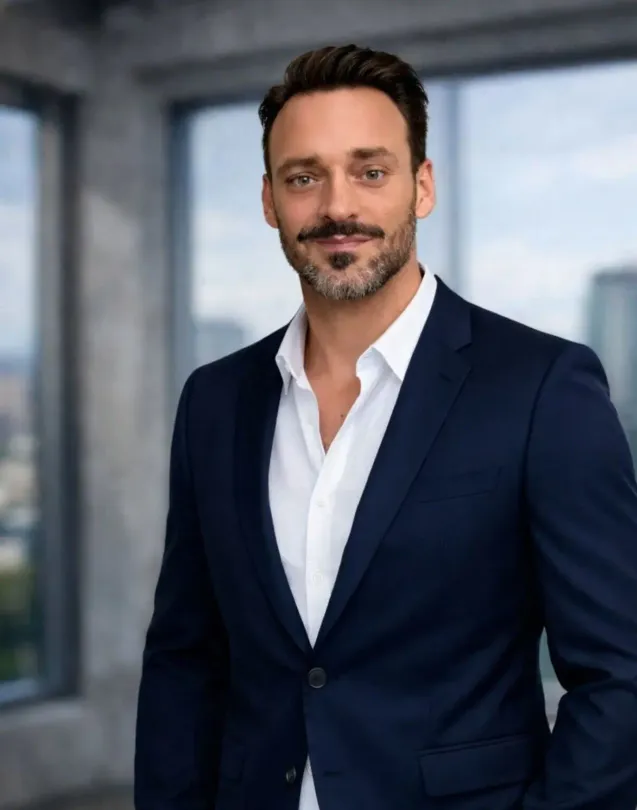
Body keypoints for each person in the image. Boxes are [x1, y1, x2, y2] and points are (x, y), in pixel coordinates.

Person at [134, 44, 637, 810]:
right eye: (303, 177)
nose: (337, 206)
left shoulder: (541, 387)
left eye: (369, 171)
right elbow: (184, 658)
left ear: (421, 186)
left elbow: (619, 673)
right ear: (269, 200)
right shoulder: (215, 400)